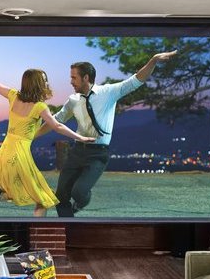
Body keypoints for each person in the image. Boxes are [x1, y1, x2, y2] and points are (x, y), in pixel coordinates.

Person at [0, 45, 94, 217]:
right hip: (19, 157)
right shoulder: (39, 107)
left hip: (4, 155)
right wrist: (80, 137)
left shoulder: (13, 96)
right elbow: (57, 126)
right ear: (37, 83)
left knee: (21, 191)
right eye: (44, 79)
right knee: (43, 199)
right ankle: (38, 237)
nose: (47, 82)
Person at [48, 50, 178, 217]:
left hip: (97, 154)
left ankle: (81, 202)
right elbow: (55, 120)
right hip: (77, 151)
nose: (70, 81)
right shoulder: (73, 100)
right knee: (61, 196)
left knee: (79, 193)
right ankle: (68, 226)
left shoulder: (108, 92)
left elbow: (136, 80)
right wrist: (31, 135)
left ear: (86, 78)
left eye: (74, 77)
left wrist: (153, 61)